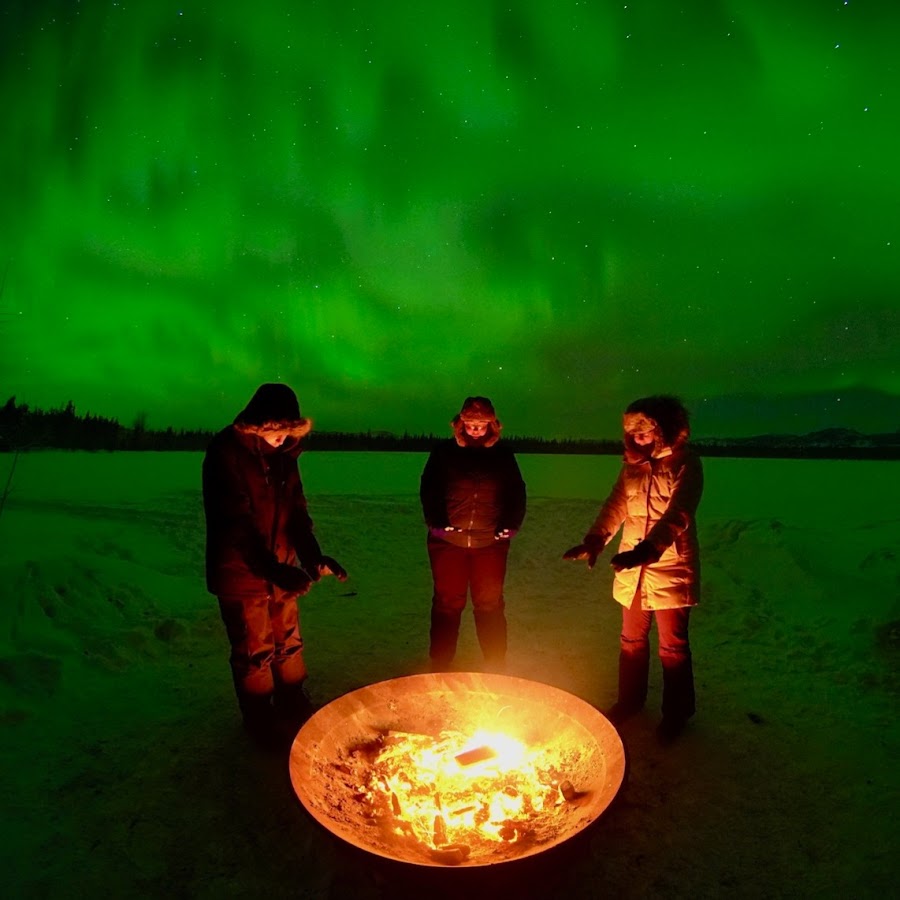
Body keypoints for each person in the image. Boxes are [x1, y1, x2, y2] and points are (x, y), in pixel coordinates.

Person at [202, 383, 347, 747]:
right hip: (241, 571)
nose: (284, 437)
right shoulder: (226, 453)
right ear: (259, 424)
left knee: (288, 640)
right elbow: (234, 522)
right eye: (278, 430)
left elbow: (297, 512)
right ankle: (259, 717)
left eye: (290, 430)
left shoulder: (284, 457)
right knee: (254, 650)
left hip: (281, 567)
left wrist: (312, 556)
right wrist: (271, 569)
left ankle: (292, 699)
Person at [563, 395, 702, 743]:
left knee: (672, 646)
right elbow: (616, 505)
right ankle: (630, 701)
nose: (638, 439)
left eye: (644, 432)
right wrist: (595, 540)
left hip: (670, 565)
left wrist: (649, 550)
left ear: (663, 429)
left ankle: (677, 713)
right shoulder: (632, 467)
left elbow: (679, 513)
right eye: (632, 433)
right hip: (632, 566)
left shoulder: (685, 462)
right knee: (631, 640)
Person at [420, 396, 526, 671]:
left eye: (481, 424)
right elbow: (429, 489)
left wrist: (511, 524)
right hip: (448, 543)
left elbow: (516, 492)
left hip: (489, 543)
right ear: (461, 423)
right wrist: (436, 523)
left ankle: (495, 662)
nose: (476, 429)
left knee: (489, 603)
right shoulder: (444, 453)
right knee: (447, 602)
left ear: (492, 425)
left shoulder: (503, 455)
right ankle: (440, 661)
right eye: (470, 424)